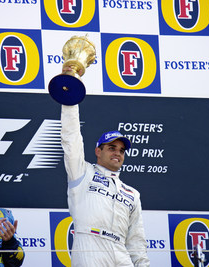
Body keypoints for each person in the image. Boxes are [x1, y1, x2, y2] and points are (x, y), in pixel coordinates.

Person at [61, 104, 150, 266]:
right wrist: (70, 103)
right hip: (90, 245)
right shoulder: (82, 172)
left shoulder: (132, 194)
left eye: (122, 150)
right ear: (98, 151)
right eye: (112, 148)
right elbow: (71, 139)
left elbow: (136, 238)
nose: (118, 153)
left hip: (120, 250)